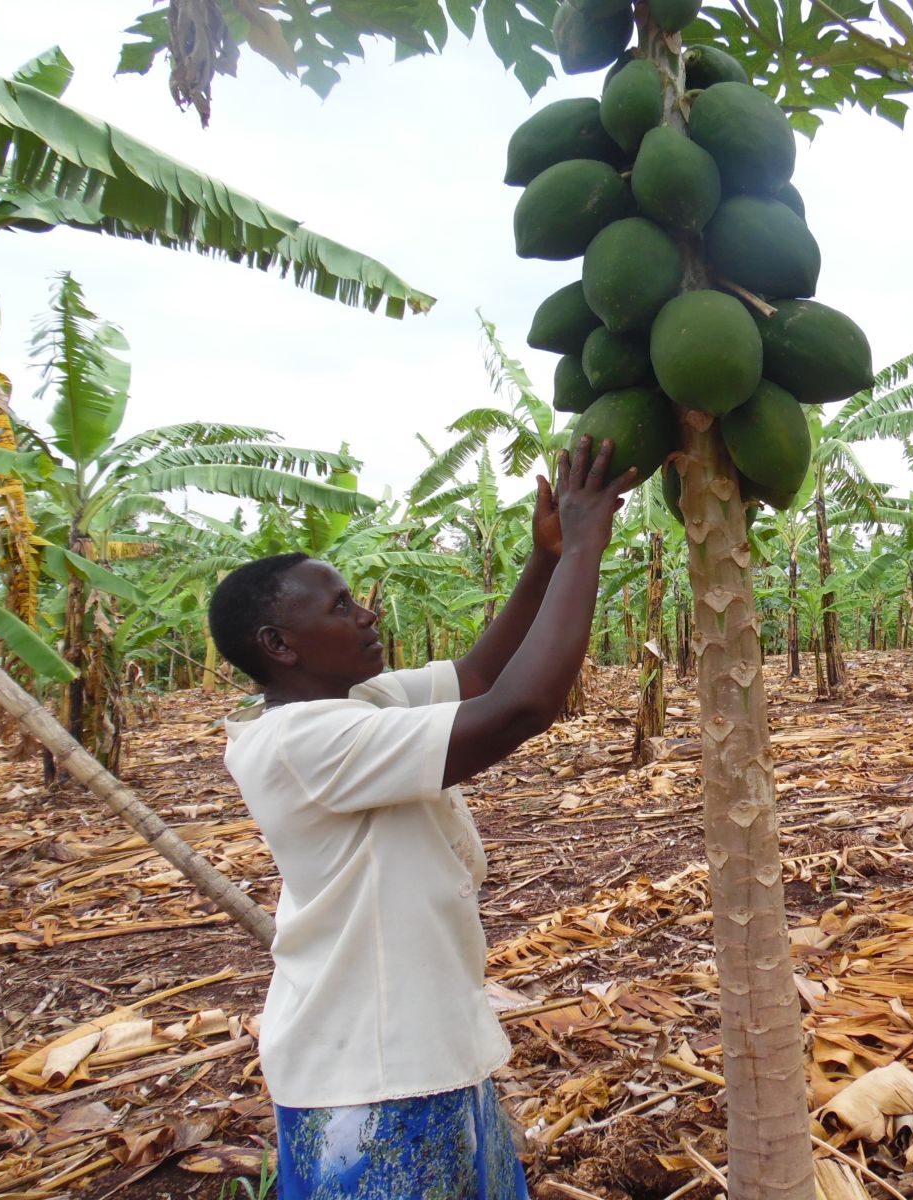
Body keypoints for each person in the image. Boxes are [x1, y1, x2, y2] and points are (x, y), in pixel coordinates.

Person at [207, 437, 635, 1198]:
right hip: (370, 1077)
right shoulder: (301, 742)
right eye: (340, 606)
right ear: (279, 645)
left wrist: (547, 557)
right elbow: (520, 706)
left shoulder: (352, 700)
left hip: (425, 1050)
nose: (366, 613)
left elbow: (478, 675)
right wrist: (586, 553)